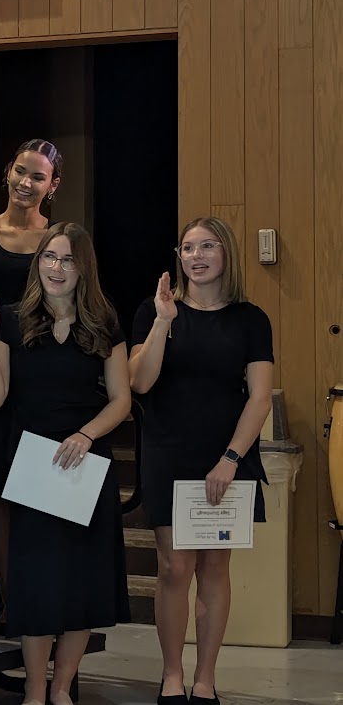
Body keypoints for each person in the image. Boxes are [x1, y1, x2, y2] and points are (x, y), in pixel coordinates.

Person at [0, 222, 131, 705]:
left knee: (82, 582)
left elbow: (121, 400)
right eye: (48, 258)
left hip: (85, 462)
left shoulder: (104, 323)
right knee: (37, 583)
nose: (56, 269)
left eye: (66, 260)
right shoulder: (14, 320)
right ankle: (36, 690)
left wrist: (87, 434)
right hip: (35, 467)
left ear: (84, 268)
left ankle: (62, 689)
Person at [128, 217, 273, 705]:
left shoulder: (250, 319)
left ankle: (206, 679)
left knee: (214, 567)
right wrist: (163, 321)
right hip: (168, 451)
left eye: (207, 246)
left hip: (225, 456)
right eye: (188, 247)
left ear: (225, 253)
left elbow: (260, 397)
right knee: (173, 567)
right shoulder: (155, 310)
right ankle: (172, 675)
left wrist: (231, 458)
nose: (197, 255)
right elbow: (139, 383)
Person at [0, 138, 62, 633]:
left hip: (46, 380)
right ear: (8, 172)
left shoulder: (62, 240)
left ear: (53, 185)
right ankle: (8, 600)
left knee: (41, 494)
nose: (26, 182)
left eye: (38, 176)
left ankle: (44, 597)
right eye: (20, 171)